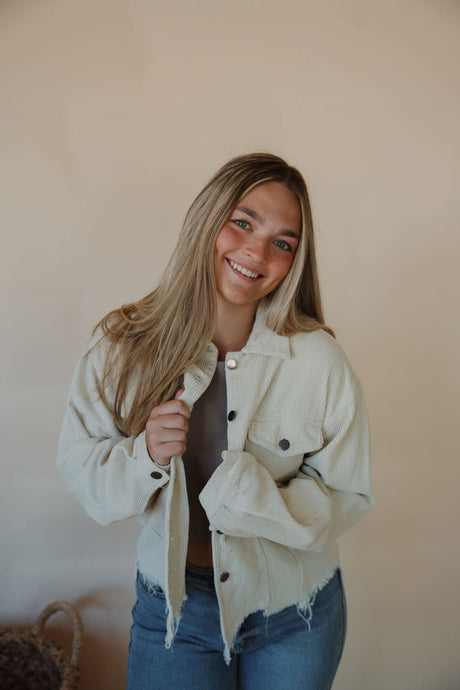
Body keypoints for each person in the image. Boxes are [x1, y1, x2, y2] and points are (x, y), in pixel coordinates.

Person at [56, 153, 374, 690]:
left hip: (296, 612)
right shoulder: (120, 347)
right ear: (207, 219)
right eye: (243, 222)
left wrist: (256, 500)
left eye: (283, 242)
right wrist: (146, 456)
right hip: (174, 613)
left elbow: (346, 495)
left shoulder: (320, 360)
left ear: (294, 261)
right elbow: (83, 474)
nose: (256, 250)